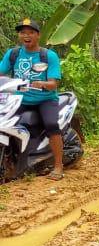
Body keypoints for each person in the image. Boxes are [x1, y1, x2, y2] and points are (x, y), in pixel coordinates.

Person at [0, 18, 65, 179]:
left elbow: (53, 83)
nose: (26, 36)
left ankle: (58, 166)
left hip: (44, 99)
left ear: (38, 35)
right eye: (23, 32)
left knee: (51, 125)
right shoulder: (13, 54)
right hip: (18, 99)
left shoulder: (48, 56)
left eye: (30, 32)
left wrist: (42, 84)